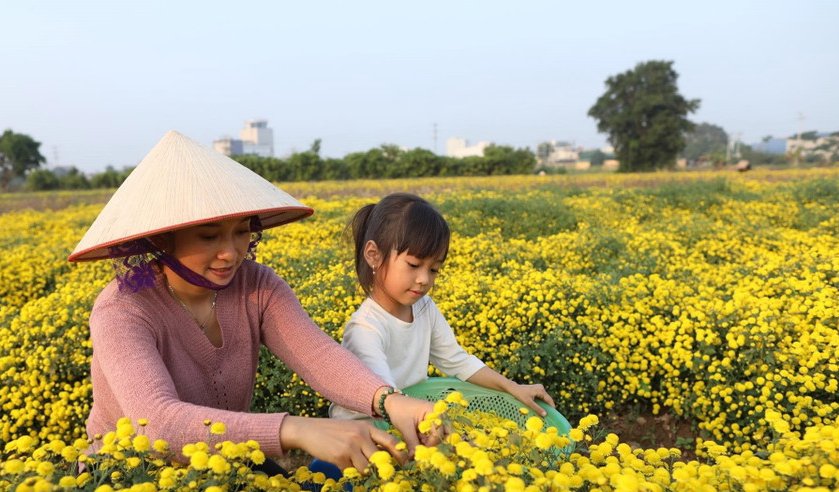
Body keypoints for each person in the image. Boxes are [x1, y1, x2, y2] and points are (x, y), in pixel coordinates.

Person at [68, 131, 439, 472]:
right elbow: (159, 423)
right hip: (128, 479)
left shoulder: (256, 286)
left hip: (222, 464)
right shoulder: (123, 309)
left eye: (242, 231)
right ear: (164, 239)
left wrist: (388, 400)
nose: (230, 253)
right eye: (209, 236)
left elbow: (317, 355)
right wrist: (293, 429)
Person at [330, 192, 555, 422]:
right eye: (414, 265)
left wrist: (512, 387)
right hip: (363, 430)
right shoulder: (366, 328)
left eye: (434, 269)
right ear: (373, 255)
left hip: (405, 416)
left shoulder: (424, 308)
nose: (424, 279)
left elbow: (457, 360)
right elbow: (385, 398)